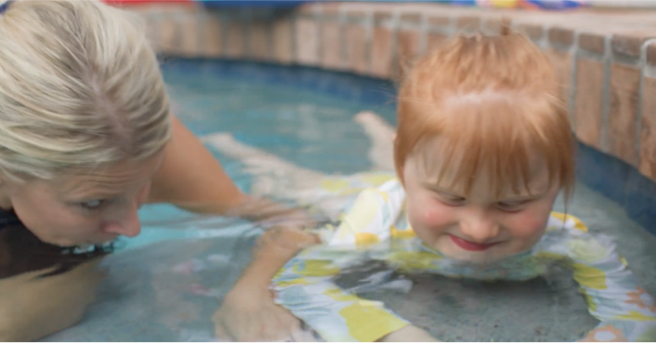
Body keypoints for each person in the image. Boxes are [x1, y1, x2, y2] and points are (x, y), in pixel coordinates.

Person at [206, 28, 656, 341]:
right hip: (365, 195)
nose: (479, 229)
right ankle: (249, 151)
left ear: (556, 181)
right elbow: (298, 283)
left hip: (415, 176)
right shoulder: (375, 221)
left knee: (433, 166)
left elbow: (638, 316)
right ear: (408, 178)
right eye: (453, 199)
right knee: (305, 186)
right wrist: (396, 334)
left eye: (512, 203)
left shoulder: (573, 241)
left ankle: (390, 145)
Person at [0, 0, 311, 341]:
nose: (132, 228)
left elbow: (288, 221)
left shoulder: (140, 141)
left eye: (142, 184)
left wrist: (254, 290)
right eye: (93, 202)